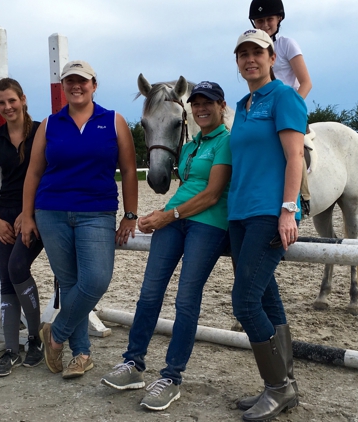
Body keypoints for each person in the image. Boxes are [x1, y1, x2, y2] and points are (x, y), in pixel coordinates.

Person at [100, 81, 232, 411]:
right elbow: (182, 184)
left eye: (208, 103)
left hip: (209, 222)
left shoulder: (227, 142)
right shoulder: (189, 147)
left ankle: (172, 377)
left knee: (186, 298)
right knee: (149, 291)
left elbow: (212, 194)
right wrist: (163, 214)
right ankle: (133, 363)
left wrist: (166, 215)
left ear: (221, 106)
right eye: (197, 103)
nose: (201, 108)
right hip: (175, 219)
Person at [21, 60, 138, 379]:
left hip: (97, 212)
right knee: (71, 283)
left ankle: (54, 335)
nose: (76, 85)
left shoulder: (114, 121)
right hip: (51, 212)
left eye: (82, 80)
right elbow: (33, 171)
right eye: (69, 81)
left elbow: (129, 170)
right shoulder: (49, 124)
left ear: (94, 85)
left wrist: (130, 214)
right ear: (63, 87)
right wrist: (27, 214)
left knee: (96, 279)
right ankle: (81, 353)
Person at [229, 29, 307, 422]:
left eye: (256, 53)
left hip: (267, 213)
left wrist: (288, 210)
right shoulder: (243, 104)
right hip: (239, 213)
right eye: (242, 54)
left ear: (271, 56)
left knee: (243, 300)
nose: (249, 60)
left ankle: (277, 387)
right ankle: (285, 382)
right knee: (265, 298)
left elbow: (296, 157)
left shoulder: (285, 97)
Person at [0, 78, 44, 377]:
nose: (7, 107)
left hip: (36, 213)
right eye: (1, 103)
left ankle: (35, 339)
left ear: (23, 99)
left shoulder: (42, 131)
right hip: (5, 215)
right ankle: (10, 350)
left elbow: (50, 174)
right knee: (7, 281)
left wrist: (27, 213)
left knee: (18, 268)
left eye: (12, 100)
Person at [249, 0, 312, 215]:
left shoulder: (287, 44)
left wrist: (291, 108)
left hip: (288, 107)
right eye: (260, 20)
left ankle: (303, 196)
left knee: (296, 148)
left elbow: (306, 82)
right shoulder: (252, 49)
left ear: (279, 19)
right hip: (261, 108)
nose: (265, 24)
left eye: (269, 19)